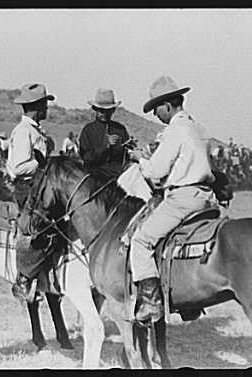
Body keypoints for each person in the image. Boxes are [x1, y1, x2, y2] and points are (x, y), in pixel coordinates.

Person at [127, 76, 216, 323]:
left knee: (141, 241)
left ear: (167, 105)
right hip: (207, 198)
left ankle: (151, 303)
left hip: (182, 197)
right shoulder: (199, 128)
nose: (155, 114)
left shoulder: (175, 130)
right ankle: (190, 300)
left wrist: (139, 159)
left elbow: (156, 173)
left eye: (156, 108)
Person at [6, 83, 55, 302]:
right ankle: (24, 278)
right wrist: (41, 164)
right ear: (37, 106)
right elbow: (17, 167)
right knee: (38, 226)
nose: (47, 108)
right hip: (27, 189)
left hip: (38, 187)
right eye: (45, 104)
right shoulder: (23, 131)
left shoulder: (34, 130)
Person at [79, 88, 130, 178]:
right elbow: (86, 158)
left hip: (117, 178)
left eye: (108, 110)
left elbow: (126, 157)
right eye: (101, 110)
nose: (105, 113)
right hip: (94, 178)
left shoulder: (120, 129)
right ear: (95, 109)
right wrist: (105, 146)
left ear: (113, 110)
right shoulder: (88, 130)